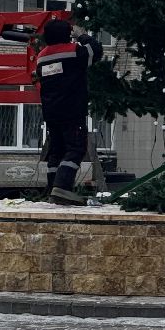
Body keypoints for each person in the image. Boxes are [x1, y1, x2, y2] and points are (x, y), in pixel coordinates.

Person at [35, 19, 103, 205]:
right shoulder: (72, 51)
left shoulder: (42, 56)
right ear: (67, 34)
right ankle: (62, 188)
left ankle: (52, 189)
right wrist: (81, 35)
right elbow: (96, 51)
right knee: (75, 149)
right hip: (72, 109)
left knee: (57, 150)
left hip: (51, 111)